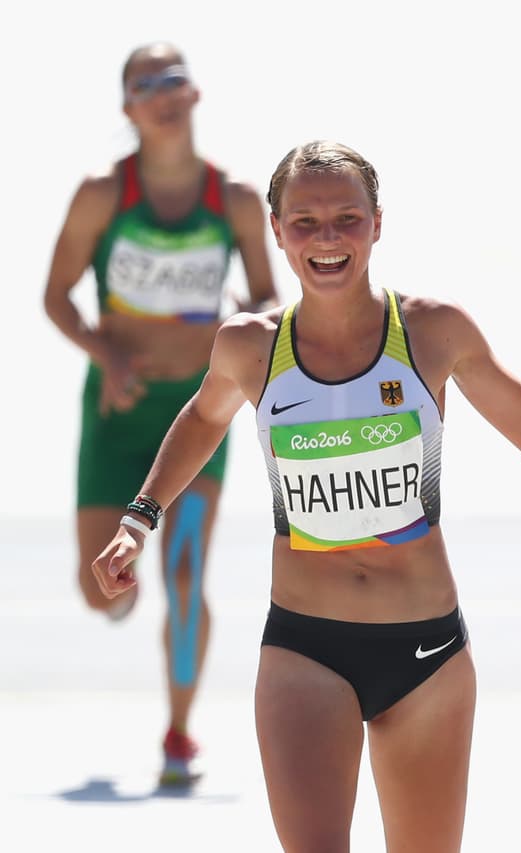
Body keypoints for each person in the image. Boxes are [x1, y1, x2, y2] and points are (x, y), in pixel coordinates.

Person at [90, 140, 521, 851]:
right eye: (306, 222)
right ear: (276, 229)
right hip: (303, 648)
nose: (327, 239)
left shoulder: (433, 332)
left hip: (428, 652)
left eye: (346, 218)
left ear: (377, 223)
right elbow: (202, 418)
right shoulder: (250, 347)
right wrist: (139, 519)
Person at [43, 42, 278, 787]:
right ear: (128, 108)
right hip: (118, 410)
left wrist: (250, 319)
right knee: (98, 585)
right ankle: (118, 601)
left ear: (196, 92)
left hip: (198, 411)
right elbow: (56, 296)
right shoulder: (101, 195)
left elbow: (270, 298)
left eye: (175, 77)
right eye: (147, 84)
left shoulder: (235, 199)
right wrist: (102, 354)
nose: (164, 93)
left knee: (184, 572)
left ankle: (179, 733)